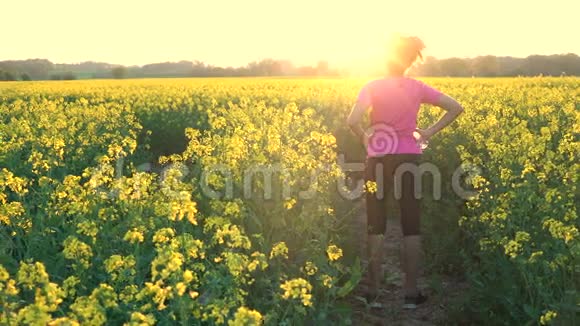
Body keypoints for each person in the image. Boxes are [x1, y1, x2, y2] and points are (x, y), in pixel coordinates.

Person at [346, 35, 464, 309]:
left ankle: (374, 291)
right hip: (409, 157)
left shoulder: (372, 86)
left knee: (375, 222)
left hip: (378, 158)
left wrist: (365, 137)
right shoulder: (417, 87)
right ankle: (411, 293)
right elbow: (456, 107)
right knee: (411, 223)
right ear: (410, 61)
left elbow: (352, 120)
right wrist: (429, 132)